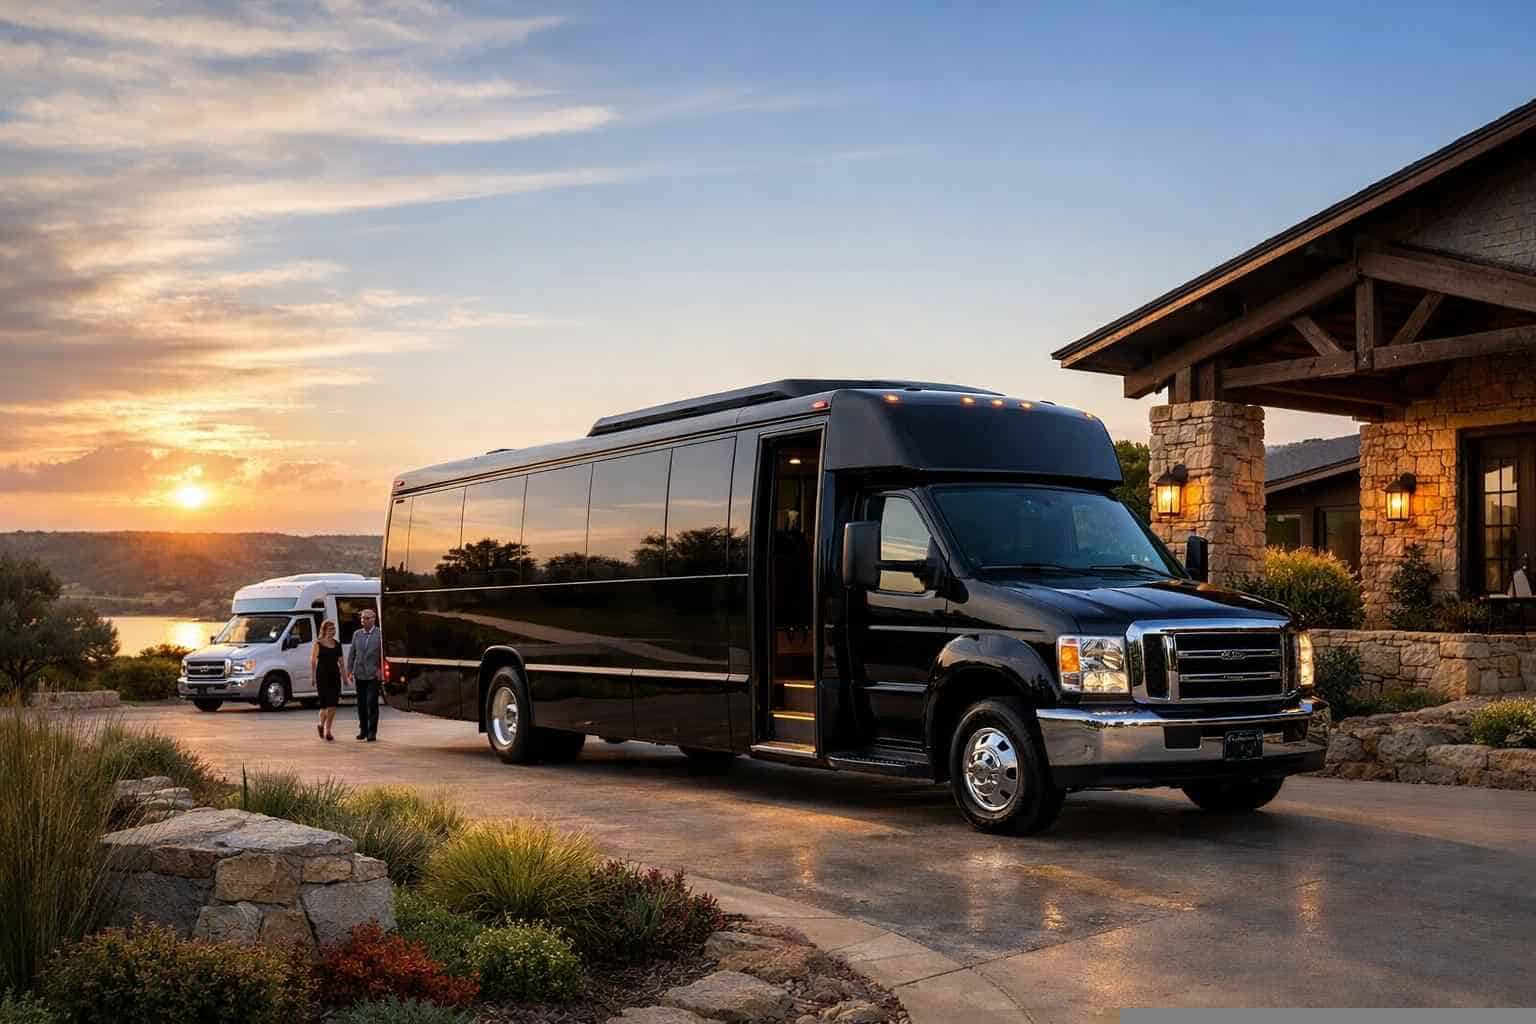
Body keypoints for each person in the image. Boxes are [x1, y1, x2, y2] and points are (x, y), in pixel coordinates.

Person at [347, 607, 383, 742]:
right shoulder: (357, 634)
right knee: (361, 703)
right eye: (362, 618)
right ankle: (363, 729)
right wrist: (349, 670)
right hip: (359, 673)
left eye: (366, 618)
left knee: (371, 702)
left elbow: (382, 654)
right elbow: (352, 653)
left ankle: (372, 731)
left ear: (373, 619)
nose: (363, 620)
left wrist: (380, 669)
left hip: (373, 673)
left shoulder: (379, 634)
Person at [311, 619, 343, 741]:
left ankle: (328, 731)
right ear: (324, 630)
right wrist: (313, 677)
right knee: (325, 706)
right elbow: (313, 662)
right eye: (330, 629)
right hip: (322, 676)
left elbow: (341, 662)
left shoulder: (337, 644)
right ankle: (321, 725)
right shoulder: (318, 644)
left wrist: (345, 677)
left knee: (333, 705)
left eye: (333, 629)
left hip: (335, 676)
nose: (332, 631)